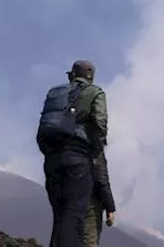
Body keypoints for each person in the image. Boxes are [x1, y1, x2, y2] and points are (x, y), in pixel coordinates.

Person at [37, 59, 108, 247]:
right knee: (74, 213)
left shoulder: (55, 93)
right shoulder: (95, 92)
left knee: (59, 214)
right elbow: (100, 123)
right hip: (78, 158)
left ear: (73, 75)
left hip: (52, 159)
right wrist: (96, 151)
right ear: (90, 76)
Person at [81, 150, 117, 247]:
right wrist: (110, 208)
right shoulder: (94, 146)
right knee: (89, 241)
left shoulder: (67, 143)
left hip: (67, 199)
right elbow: (101, 179)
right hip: (90, 203)